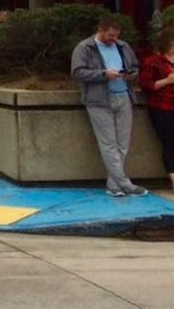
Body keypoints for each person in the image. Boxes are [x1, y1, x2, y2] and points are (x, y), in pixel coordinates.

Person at [70, 16, 147, 197]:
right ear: (101, 30)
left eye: (116, 36)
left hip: (123, 96)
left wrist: (131, 75)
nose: (114, 39)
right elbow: (78, 72)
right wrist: (104, 74)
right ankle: (125, 184)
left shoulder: (123, 46)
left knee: (123, 143)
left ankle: (114, 184)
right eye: (111, 35)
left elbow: (135, 66)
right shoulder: (84, 48)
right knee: (108, 144)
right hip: (99, 100)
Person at [138, 26, 174, 191]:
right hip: (162, 108)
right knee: (170, 143)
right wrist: (167, 81)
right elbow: (146, 85)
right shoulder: (153, 61)